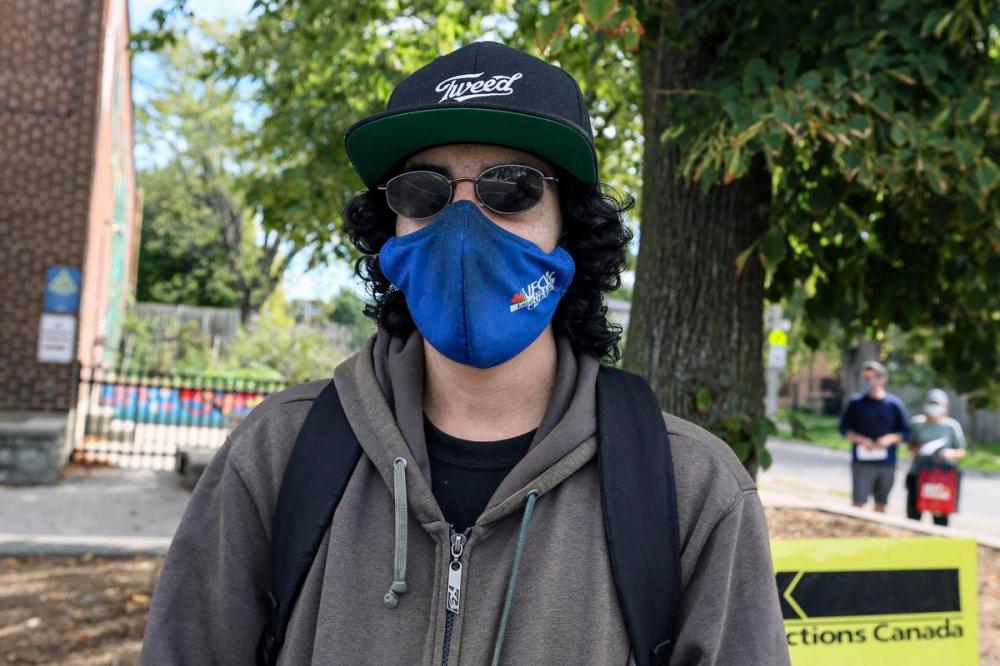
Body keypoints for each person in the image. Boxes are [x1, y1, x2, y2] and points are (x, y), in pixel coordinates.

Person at [140, 41, 790, 664]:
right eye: (423, 190)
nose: (462, 222)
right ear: (390, 224)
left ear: (572, 224)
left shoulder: (691, 489)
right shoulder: (277, 455)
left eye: (512, 188)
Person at [839, 360, 910, 512]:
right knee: (858, 502)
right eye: (866, 379)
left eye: (874, 377)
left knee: (881, 503)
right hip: (862, 460)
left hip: (886, 461)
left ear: (882, 378)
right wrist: (861, 440)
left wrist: (888, 439)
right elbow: (844, 429)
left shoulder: (894, 404)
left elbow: (905, 431)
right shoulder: (856, 403)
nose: (871, 382)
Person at [906, 389, 966, 526]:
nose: (934, 406)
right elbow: (909, 446)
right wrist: (920, 449)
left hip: (941, 478)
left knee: (940, 517)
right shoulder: (917, 423)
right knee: (913, 515)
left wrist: (948, 453)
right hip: (918, 474)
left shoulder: (951, 426)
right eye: (931, 403)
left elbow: (961, 451)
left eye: (937, 403)